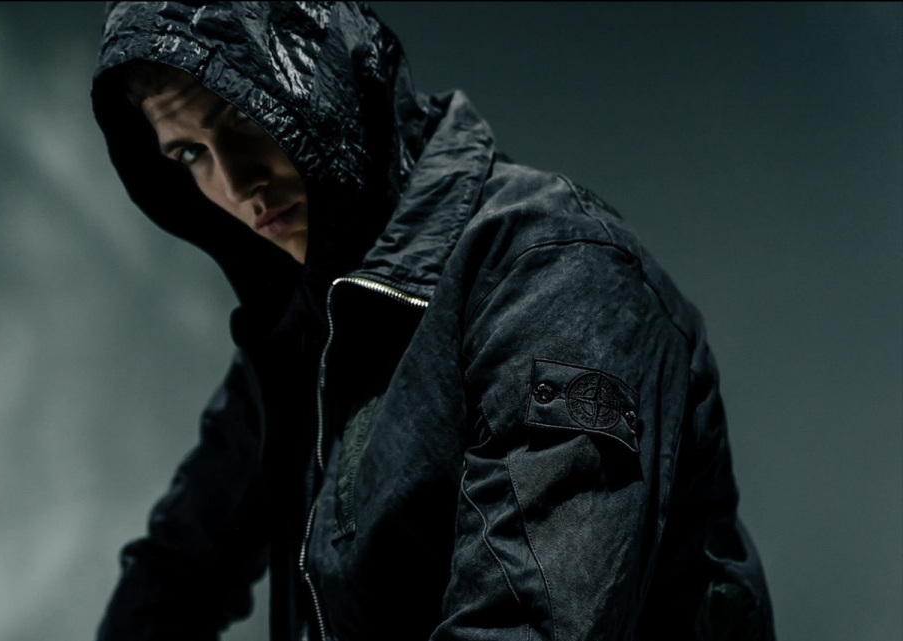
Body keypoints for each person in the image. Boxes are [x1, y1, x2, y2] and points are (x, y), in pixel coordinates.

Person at [91, 2, 776, 640]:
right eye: (190, 153)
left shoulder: (556, 272)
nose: (237, 185)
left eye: (244, 117)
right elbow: (177, 567)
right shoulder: (312, 327)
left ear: (325, 82)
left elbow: (523, 624)